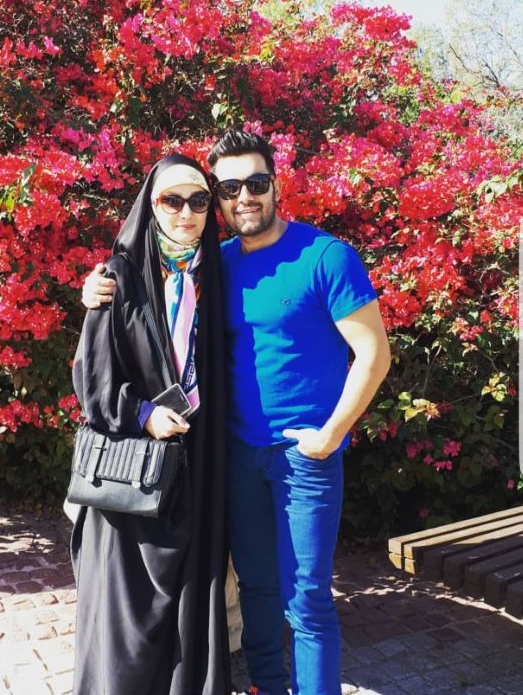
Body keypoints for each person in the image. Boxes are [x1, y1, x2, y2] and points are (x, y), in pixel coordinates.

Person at [82, 131, 392, 695]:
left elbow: (374, 354)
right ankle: (268, 687)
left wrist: (330, 435)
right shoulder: (215, 266)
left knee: (307, 600)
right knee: (256, 589)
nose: (244, 196)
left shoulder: (326, 257)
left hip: (304, 459)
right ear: (219, 200)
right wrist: (97, 287)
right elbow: (152, 288)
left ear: (276, 184)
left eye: (256, 183)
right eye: (228, 188)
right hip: (237, 455)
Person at [70, 153, 231, 695]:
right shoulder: (117, 277)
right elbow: (92, 380)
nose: (186, 212)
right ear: (150, 206)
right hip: (134, 471)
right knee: (126, 617)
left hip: (197, 463)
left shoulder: (217, 275)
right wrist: (142, 415)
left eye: (199, 201)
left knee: (190, 608)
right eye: (171, 200)